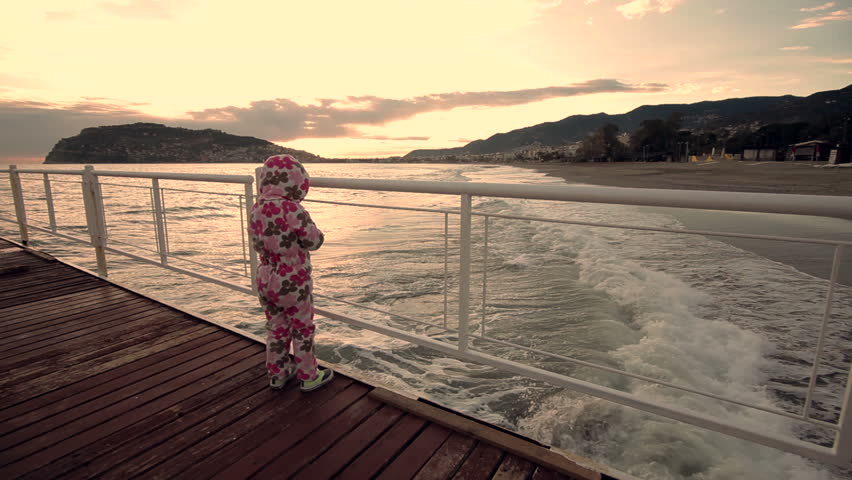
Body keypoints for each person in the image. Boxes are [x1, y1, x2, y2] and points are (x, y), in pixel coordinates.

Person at [249, 154, 333, 391]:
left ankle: (278, 373)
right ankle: (308, 375)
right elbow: (313, 241)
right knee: (302, 327)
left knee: (276, 326)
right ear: (297, 182)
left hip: (265, 275)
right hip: (293, 280)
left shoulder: (257, 208)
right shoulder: (293, 209)